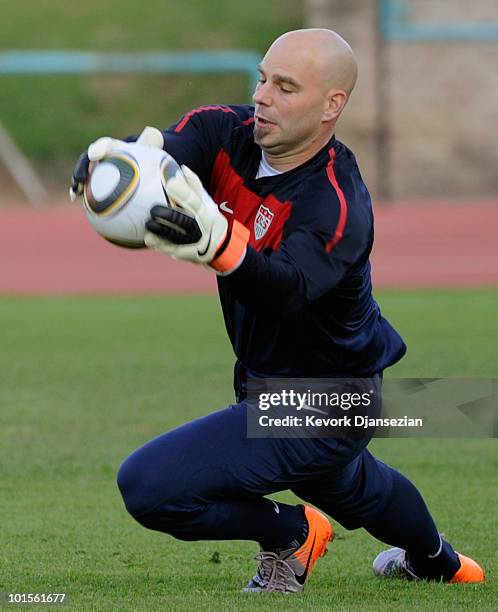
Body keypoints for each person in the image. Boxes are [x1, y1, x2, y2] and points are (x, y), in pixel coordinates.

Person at [71, 28, 484, 592]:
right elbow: (158, 157)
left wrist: (221, 246)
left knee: (149, 486)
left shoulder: (335, 204)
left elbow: (287, 289)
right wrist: (116, 160)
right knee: (354, 486)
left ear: (330, 106)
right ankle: (441, 563)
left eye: (286, 87)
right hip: (270, 383)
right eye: (263, 78)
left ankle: (291, 533)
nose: (263, 95)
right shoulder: (225, 130)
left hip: (330, 396)